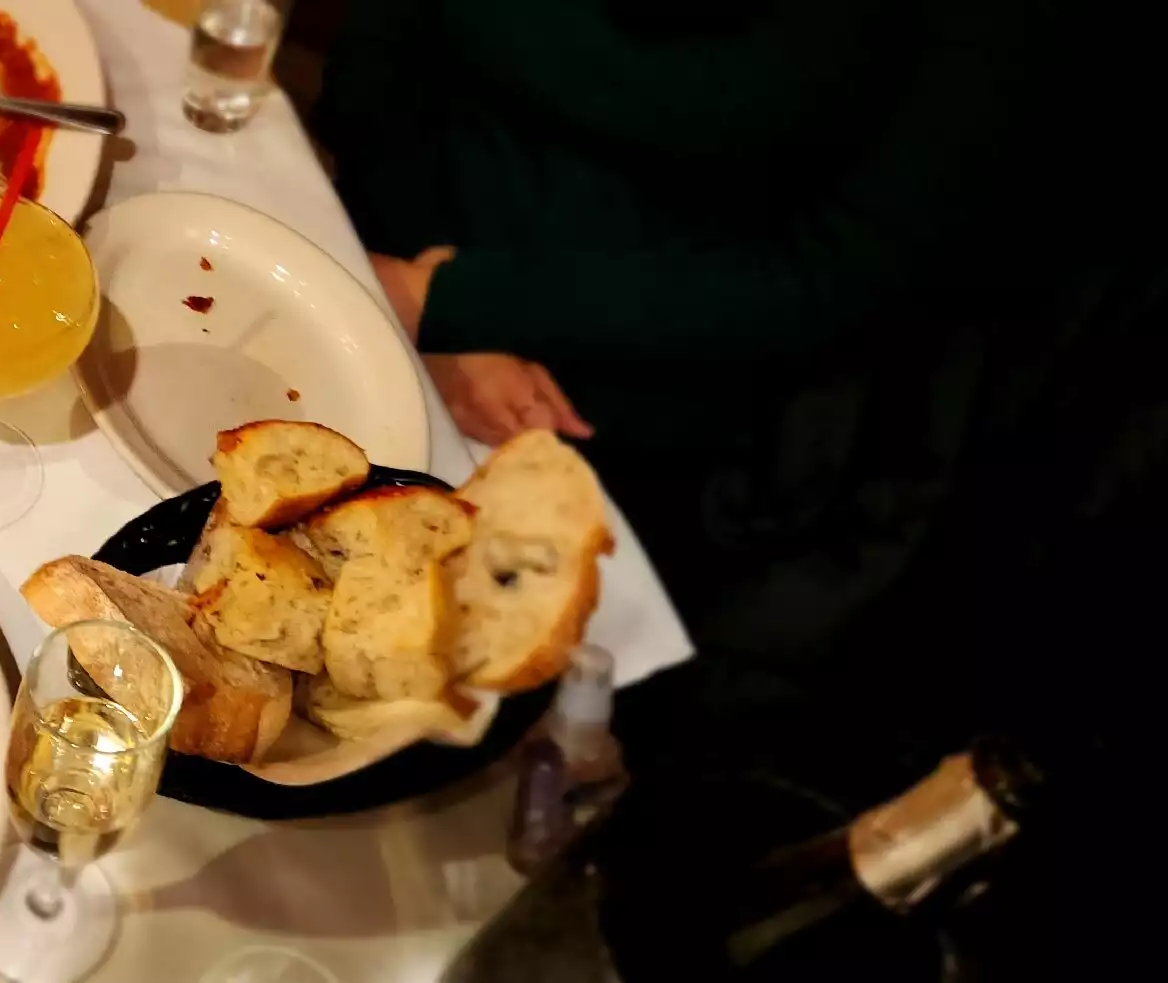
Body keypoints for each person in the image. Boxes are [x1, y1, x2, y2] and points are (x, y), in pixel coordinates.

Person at [317, 1, 1159, 969]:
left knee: (389, 786)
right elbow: (388, 42)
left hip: (647, 406)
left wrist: (467, 300)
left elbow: (836, 271)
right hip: (383, 265)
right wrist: (428, 297)